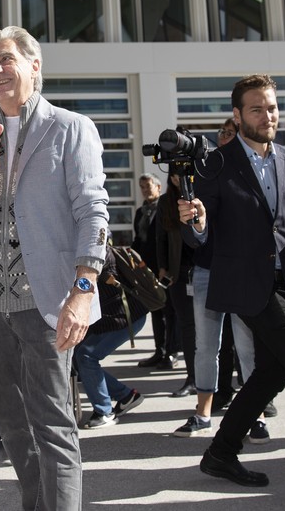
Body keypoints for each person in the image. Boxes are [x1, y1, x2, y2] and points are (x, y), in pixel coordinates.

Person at [0, 26, 109, 511]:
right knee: (11, 424)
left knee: (53, 423)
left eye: (5, 59)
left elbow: (93, 212)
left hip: (48, 301)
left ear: (35, 66)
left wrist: (83, 289)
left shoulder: (70, 128)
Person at [179, 74, 285, 487]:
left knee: (271, 372)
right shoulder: (215, 162)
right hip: (249, 287)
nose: (267, 116)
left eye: (271, 107)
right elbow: (200, 232)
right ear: (237, 114)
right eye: (256, 109)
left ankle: (221, 452)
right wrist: (197, 220)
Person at [173, 117, 263, 439]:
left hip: (239, 272)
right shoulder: (202, 170)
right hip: (207, 269)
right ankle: (203, 413)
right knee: (205, 346)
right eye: (223, 133)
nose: (226, 137)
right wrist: (195, 221)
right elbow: (192, 229)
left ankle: (254, 415)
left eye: (232, 133)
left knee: (246, 346)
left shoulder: (250, 172)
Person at [75, 245, 146, 429]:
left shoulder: (96, 248)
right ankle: (126, 396)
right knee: (79, 357)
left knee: (86, 356)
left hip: (125, 316)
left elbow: (85, 282)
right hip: (114, 316)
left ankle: (104, 412)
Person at [155, 167, 196, 397]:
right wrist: (162, 267)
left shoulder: (203, 193)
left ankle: (222, 381)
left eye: (182, 175)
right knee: (187, 326)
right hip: (178, 271)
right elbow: (160, 236)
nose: (178, 179)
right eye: (173, 175)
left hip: (205, 269)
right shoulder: (166, 202)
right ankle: (192, 378)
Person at [132, 173, 177, 369]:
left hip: (163, 268)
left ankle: (171, 352)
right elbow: (139, 239)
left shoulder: (165, 207)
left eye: (148, 186)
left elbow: (165, 239)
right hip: (146, 270)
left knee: (170, 311)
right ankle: (160, 351)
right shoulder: (141, 212)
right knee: (156, 310)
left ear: (158, 187)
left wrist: (164, 266)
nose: (144, 190)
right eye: (141, 187)